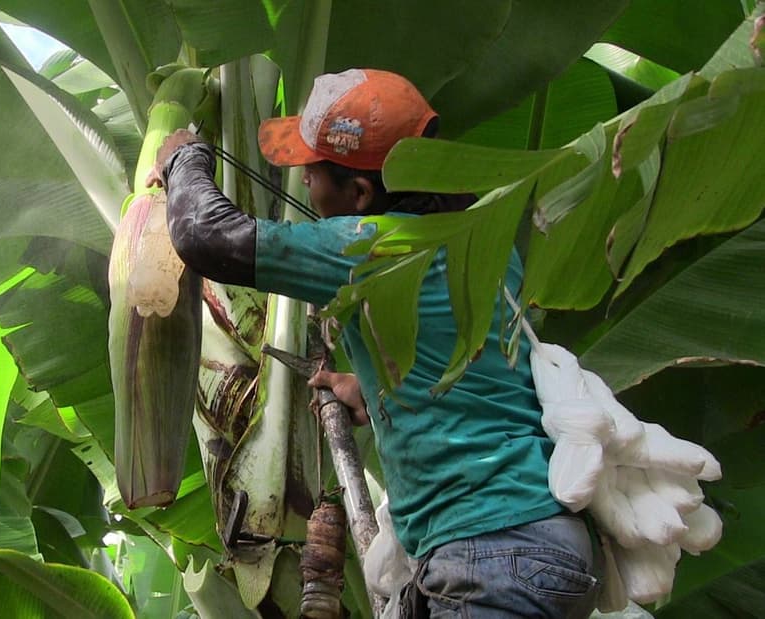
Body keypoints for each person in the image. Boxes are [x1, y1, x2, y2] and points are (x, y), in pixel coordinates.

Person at [148, 68, 601, 619]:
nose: (305, 187)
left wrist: (183, 158)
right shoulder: (480, 239)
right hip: (537, 544)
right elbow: (479, 367)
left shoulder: (368, 246)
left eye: (312, 175)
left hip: (489, 555)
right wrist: (376, 387)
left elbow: (205, 236)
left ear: (361, 193)